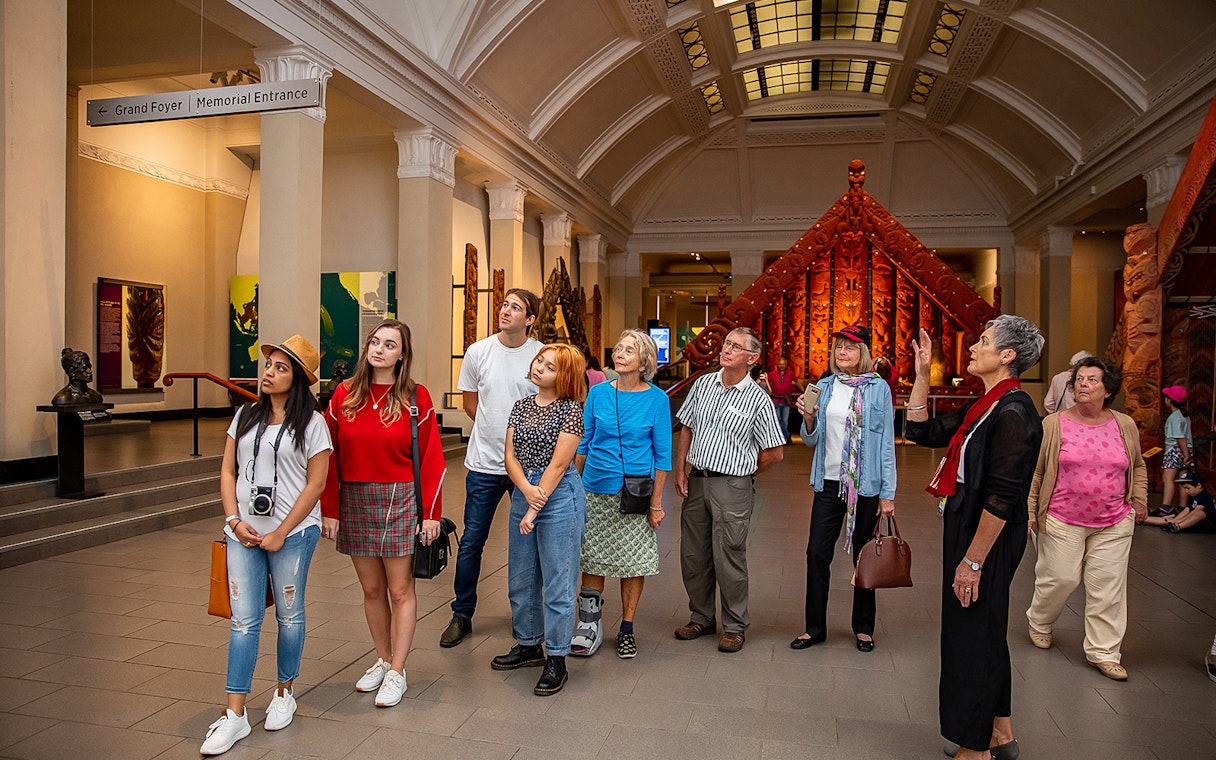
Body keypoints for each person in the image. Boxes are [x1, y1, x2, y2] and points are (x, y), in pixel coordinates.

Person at [904, 316, 1044, 760]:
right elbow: (922, 431)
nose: (973, 347)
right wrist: (923, 373)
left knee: (971, 634)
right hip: (968, 520)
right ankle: (999, 732)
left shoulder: (1015, 412)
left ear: (1007, 356)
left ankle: (975, 746)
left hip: (989, 533)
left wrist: (974, 561)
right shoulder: (984, 405)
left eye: (983, 341)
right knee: (984, 629)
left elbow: (1004, 498)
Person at [201, 335, 331, 756]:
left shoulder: (313, 423)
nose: (268, 372)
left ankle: (283, 691)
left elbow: (317, 484)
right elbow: (227, 471)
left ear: (298, 380)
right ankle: (235, 714)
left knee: (290, 615)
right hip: (243, 533)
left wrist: (281, 531)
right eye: (269, 365)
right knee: (243, 620)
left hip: (292, 533)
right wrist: (233, 519)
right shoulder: (244, 416)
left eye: (280, 367)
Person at [321, 319, 446, 708]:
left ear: (402, 354)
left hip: (400, 497)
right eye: (374, 342)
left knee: (399, 588)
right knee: (371, 590)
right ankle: (382, 657)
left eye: (389, 345)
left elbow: (432, 459)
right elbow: (327, 455)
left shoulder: (415, 397)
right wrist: (329, 508)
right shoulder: (344, 395)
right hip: (354, 496)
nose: (379, 349)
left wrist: (431, 513)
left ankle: (397, 670)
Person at [1025, 357, 1147, 682]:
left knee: (1108, 589)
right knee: (1060, 578)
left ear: (1108, 390)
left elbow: (1137, 465)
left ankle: (1104, 652)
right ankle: (1039, 619)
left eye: (1092, 380)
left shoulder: (1124, 425)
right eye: (1079, 379)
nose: (1083, 384)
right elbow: (1037, 472)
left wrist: (1139, 501)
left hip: (1115, 520)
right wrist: (1029, 512)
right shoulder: (1054, 424)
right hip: (1062, 517)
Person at [672, 327, 785, 653]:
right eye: (726, 344)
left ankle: (735, 626)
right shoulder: (703, 384)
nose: (727, 349)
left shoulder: (758, 400)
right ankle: (702, 617)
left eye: (736, 347)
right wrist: (681, 469)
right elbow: (687, 428)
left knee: (728, 556)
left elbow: (774, 452)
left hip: (732, 485)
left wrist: (745, 472)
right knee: (693, 555)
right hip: (697, 481)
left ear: (752, 358)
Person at [442, 288, 542, 647]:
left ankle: (526, 616)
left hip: (528, 468)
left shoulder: (540, 355)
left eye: (515, 307)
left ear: (529, 319)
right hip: (484, 463)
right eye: (504, 304)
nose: (505, 310)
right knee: (472, 541)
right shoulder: (478, 351)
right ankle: (461, 614)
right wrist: (495, 435)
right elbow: (472, 404)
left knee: (527, 543)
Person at [791, 325, 896, 653]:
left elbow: (887, 443)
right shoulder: (824, 387)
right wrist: (808, 419)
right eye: (838, 347)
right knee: (817, 554)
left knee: (864, 558)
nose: (841, 353)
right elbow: (811, 439)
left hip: (864, 486)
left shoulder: (878, 390)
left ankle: (863, 628)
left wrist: (887, 493)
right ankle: (814, 628)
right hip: (828, 483)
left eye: (849, 348)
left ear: (862, 352)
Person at [492, 343, 587, 696]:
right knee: (520, 576)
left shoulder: (571, 411)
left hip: (559, 496)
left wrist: (536, 503)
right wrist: (524, 491)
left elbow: (560, 464)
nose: (539, 368)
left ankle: (557, 658)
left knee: (558, 581)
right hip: (524, 490)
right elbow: (509, 455)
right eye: (539, 361)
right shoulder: (520, 406)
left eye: (549, 367)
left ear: (564, 377)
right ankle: (529, 644)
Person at [572, 330, 672, 659]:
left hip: (635, 493)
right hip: (595, 488)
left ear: (644, 362)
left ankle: (627, 628)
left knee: (632, 562)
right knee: (592, 558)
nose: (620, 354)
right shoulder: (598, 394)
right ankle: (589, 625)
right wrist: (573, 487)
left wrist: (656, 504)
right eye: (619, 348)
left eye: (629, 350)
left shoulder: (657, 399)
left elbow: (662, 457)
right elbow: (583, 444)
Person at [1143, 470, 1215, 533]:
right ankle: (1142, 519)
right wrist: (1176, 519)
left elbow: (1197, 511)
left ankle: (1178, 526)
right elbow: (1186, 510)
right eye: (1185, 489)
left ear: (1198, 485)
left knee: (1200, 513)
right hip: (1193, 523)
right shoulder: (1193, 497)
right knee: (1170, 518)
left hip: (1207, 524)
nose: (1187, 491)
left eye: (1188, 488)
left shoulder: (1204, 496)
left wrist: (1179, 521)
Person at [1159, 385, 1192, 515]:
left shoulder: (1174, 417)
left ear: (1169, 400)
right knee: (1183, 479)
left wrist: (1185, 455)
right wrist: (1188, 454)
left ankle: (1165, 508)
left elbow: (1180, 437)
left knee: (1168, 479)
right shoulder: (1185, 415)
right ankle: (1182, 507)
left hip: (1175, 450)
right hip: (1186, 450)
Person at [766, 356, 803, 444]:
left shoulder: (790, 374)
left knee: (785, 420)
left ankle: (783, 439)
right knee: (778, 419)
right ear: (777, 365)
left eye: (783, 364)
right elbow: (765, 382)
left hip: (786, 401)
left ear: (786, 365)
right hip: (776, 401)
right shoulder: (772, 374)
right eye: (780, 364)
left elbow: (797, 382)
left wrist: (804, 391)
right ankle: (786, 435)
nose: (782, 366)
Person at [1042, 349, 1092, 414]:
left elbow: (1048, 403)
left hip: (1061, 418)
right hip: (1080, 418)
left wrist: (1056, 415)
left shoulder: (1057, 377)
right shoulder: (1084, 381)